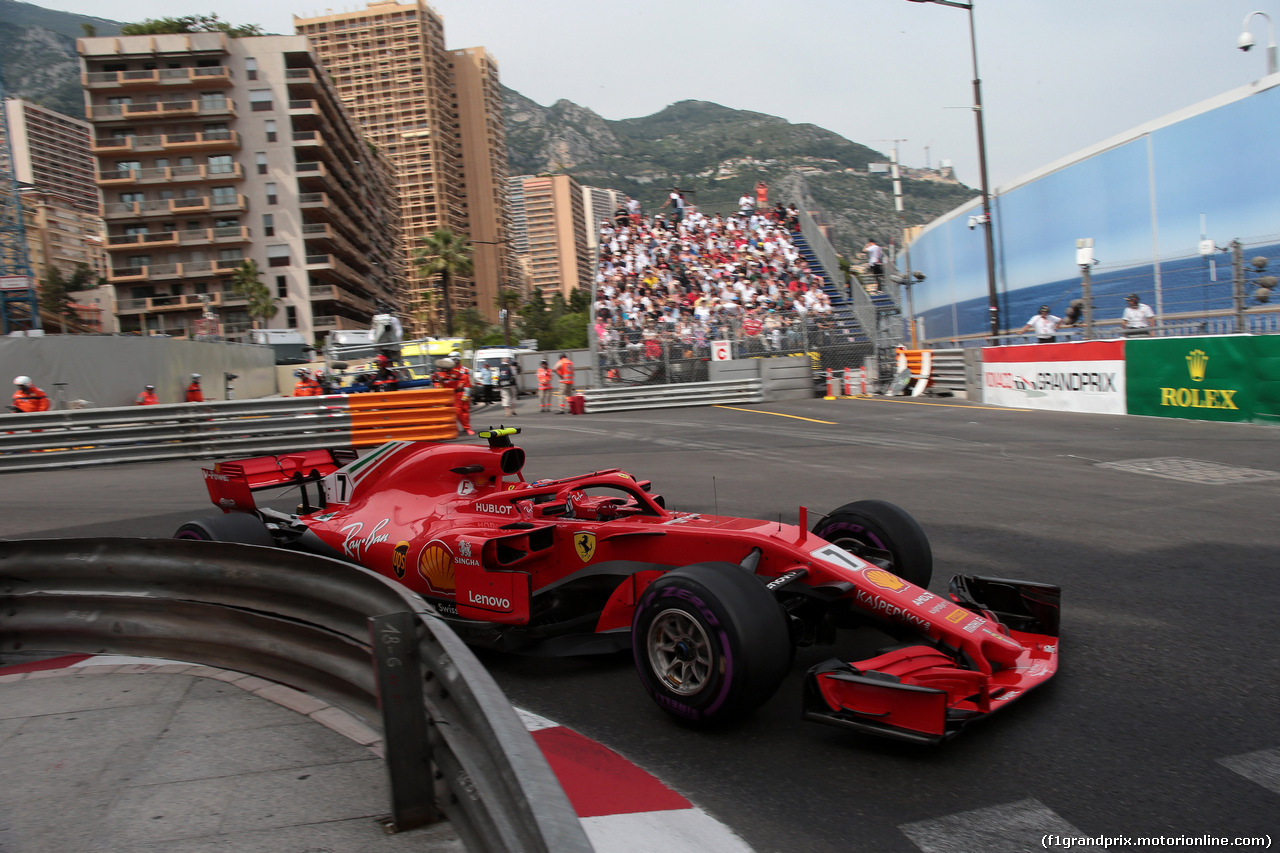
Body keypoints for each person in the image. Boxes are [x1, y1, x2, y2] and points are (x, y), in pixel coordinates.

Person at [436, 351, 473, 435]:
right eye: (452, 359)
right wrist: (438, 381)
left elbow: (466, 383)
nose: (454, 361)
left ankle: (466, 427)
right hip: (447, 394)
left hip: (459, 394)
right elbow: (438, 383)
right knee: (448, 412)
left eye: (455, 359)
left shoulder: (463, 370)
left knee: (462, 411)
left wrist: (466, 394)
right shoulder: (443, 371)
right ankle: (452, 428)